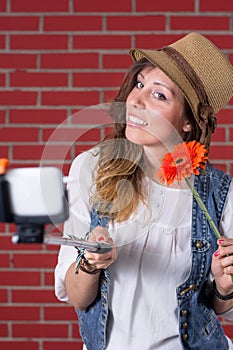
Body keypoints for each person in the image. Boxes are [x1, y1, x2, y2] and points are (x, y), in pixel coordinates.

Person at [54, 32, 233, 349]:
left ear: (188, 122)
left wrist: (224, 285)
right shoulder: (92, 168)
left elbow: (218, 307)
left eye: (159, 95)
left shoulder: (221, 194)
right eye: (139, 84)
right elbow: (79, 298)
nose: (135, 101)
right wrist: (90, 262)